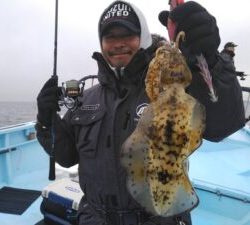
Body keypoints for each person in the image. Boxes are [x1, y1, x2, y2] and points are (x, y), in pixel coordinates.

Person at [35, 1, 245, 225]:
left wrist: (209, 62)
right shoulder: (88, 98)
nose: (119, 44)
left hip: (159, 219)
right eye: (110, 37)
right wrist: (47, 121)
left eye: (128, 35)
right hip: (94, 218)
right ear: (101, 43)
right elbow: (66, 157)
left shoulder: (168, 88)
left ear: (143, 38)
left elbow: (223, 123)